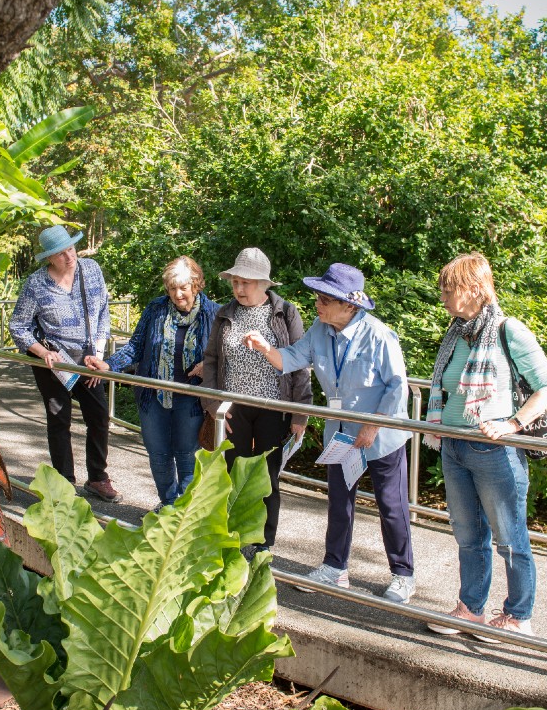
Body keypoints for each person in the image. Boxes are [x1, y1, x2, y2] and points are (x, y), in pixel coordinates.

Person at [242, 263, 417, 603]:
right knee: (339, 502)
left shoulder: (379, 336)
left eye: (324, 299)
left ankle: (403, 574)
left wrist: (372, 425)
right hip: (341, 435)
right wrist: (265, 348)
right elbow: (292, 358)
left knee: (391, 506)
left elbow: (399, 388)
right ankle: (335, 568)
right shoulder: (320, 330)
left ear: (349, 306)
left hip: (381, 436)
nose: (317, 305)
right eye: (318, 297)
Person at [423, 251, 547, 637]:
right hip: (454, 445)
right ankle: (471, 609)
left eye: (449, 290)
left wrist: (513, 423)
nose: (444, 298)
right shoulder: (456, 332)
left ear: (475, 290)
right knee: (468, 535)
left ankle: (518, 615)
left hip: (494, 450)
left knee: (510, 537)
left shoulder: (507, 329)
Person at [85, 257, 219, 510]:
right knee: (158, 454)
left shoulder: (213, 313)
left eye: (183, 287)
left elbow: (225, 355)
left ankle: (184, 510)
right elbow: (136, 346)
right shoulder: (156, 309)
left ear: (196, 285)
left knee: (187, 456)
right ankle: (168, 505)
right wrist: (109, 365)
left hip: (191, 398)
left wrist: (208, 366)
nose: (178, 294)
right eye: (172, 288)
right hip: (152, 395)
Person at [200, 247, 310, 554]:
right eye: (235, 282)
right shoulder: (225, 313)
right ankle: (232, 536)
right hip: (233, 408)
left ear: (263, 283)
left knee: (266, 477)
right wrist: (211, 404)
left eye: (245, 282)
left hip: (273, 408)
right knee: (232, 474)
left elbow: (299, 363)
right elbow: (210, 361)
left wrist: (300, 414)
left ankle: (264, 543)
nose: (238, 288)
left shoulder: (285, 312)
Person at [8, 224, 122, 503]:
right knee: (59, 420)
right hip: (53, 360)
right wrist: (40, 351)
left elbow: (103, 313)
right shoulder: (36, 284)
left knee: (99, 416)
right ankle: (64, 482)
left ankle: (97, 477)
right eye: (60, 254)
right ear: (49, 257)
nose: (68, 257)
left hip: (87, 356)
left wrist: (97, 355)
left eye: (70, 249)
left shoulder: (91, 269)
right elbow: (18, 326)